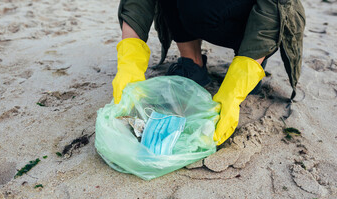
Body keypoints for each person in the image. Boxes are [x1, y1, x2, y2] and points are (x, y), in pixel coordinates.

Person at [112, 0, 305, 145]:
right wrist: (130, 60)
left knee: (197, 7)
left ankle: (249, 60)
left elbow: (274, 8)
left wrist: (236, 88)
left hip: (259, 11)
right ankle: (192, 62)